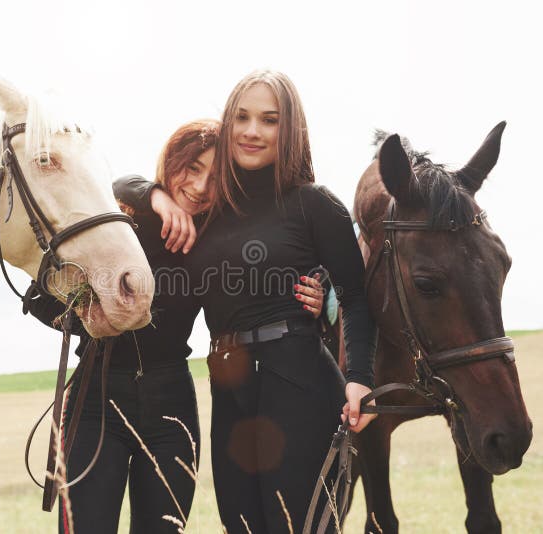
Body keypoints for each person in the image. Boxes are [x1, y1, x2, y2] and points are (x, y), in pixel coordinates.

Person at [28, 118, 325, 534]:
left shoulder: (219, 238)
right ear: (171, 163)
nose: (202, 187)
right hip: (96, 400)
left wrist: (316, 295)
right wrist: (90, 317)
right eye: (192, 168)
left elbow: (269, 283)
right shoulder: (119, 220)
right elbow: (40, 300)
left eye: (216, 176)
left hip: (171, 406)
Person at [121, 71, 377, 533]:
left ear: (290, 128)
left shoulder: (313, 204)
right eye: (241, 117)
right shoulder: (211, 210)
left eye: (269, 120)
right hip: (230, 390)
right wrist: (159, 197)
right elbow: (122, 186)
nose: (252, 131)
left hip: (300, 383)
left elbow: (355, 297)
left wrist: (359, 379)